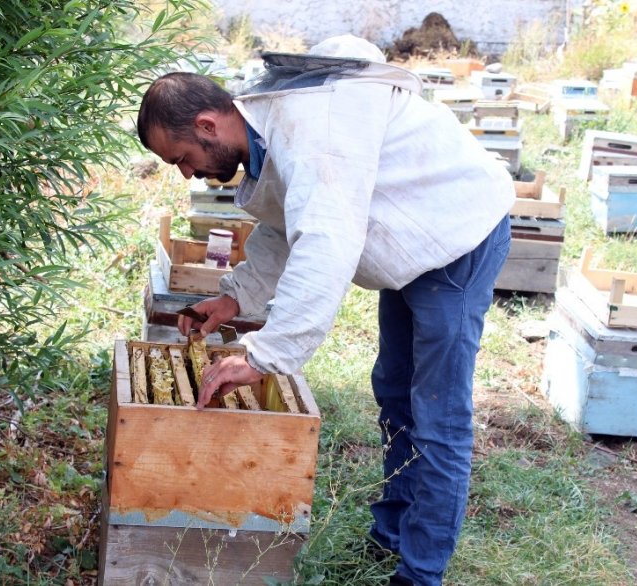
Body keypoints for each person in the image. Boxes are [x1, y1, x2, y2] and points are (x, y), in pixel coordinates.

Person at [136, 34, 514, 586]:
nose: (186, 174)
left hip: (457, 237)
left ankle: (419, 573)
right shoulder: (269, 129)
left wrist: (265, 355)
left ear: (208, 127)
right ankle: (388, 540)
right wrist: (235, 294)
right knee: (394, 390)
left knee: (436, 415)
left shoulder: (313, 131)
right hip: (411, 241)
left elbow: (324, 240)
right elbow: (284, 221)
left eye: (183, 159)